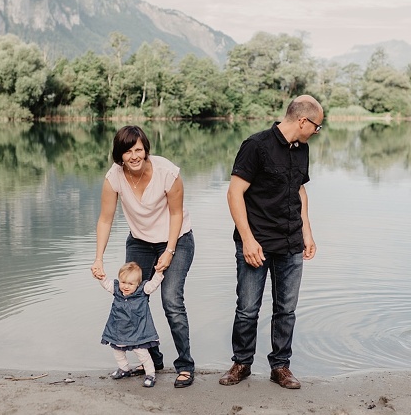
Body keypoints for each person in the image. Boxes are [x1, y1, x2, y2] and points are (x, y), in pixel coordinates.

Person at [219, 95, 322, 390]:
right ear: (302, 120)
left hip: (290, 242)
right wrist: (248, 240)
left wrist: (307, 232)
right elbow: (234, 193)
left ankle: (280, 367)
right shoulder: (256, 145)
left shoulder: (302, 149)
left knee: (286, 310)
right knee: (247, 308)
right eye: (316, 126)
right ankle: (241, 363)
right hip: (257, 243)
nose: (316, 132)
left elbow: (299, 190)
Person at [91, 125, 196, 388]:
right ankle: (153, 359)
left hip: (176, 239)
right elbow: (105, 219)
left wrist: (169, 251)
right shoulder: (114, 177)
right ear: (120, 155)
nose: (134, 156)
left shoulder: (167, 172)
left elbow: (176, 214)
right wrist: (98, 258)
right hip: (139, 241)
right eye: (128, 152)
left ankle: (185, 365)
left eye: (138, 150)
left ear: (146, 149)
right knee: (133, 298)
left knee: (171, 300)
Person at [99, 261, 164, 388]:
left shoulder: (143, 290)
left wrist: (158, 272)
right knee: (118, 350)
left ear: (137, 284)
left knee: (142, 353)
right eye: (123, 282)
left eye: (130, 284)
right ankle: (124, 369)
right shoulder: (116, 290)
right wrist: (101, 277)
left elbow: (154, 284)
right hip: (119, 330)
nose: (126, 286)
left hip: (138, 330)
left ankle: (150, 374)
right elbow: (106, 284)